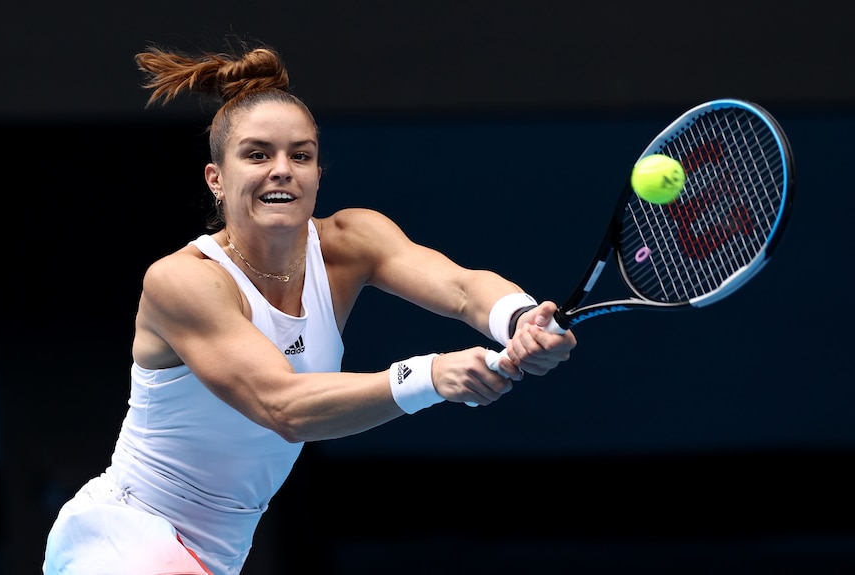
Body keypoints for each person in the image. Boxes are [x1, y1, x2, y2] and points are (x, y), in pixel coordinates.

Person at [42, 40, 577, 575]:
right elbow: (284, 407)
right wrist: (429, 376)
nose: (282, 169)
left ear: (319, 174)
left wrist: (518, 318)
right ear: (216, 179)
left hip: (220, 553)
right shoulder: (182, 280)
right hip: (122, 534)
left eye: (301, 155)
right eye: (257, 154)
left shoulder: (352, 241)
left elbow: (462, 288)